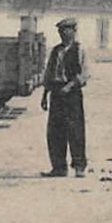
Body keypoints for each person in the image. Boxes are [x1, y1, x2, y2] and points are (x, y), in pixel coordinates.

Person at [41, 17, 90, 177]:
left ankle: (79, 166)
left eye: (66, 30)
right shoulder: (55, 51)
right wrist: (45, 94)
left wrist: (69, 87)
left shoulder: (79, 50)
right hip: (56, 94)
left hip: (72, 94)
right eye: (60, 31)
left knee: (75, 130)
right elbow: (49, 73)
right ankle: (59, 167)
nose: (63, 34)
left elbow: (84, 74)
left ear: (74, 32)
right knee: (55, 131)